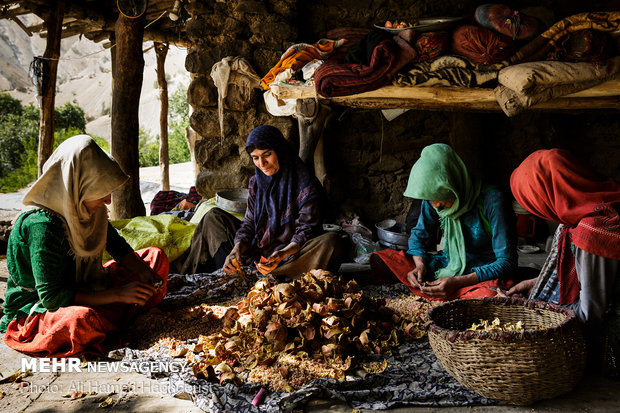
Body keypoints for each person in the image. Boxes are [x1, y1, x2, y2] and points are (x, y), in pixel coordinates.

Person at [1, 135, 168, 358]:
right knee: (79, 321)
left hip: (91, 286)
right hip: (41, 307)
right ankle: (114, 320)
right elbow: (52, 298)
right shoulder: (42, 224)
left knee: (154, 258)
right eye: (101, 191)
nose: (108, 200)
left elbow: (117, 246)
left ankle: (111, 319)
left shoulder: (89, 210)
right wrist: (118, 294)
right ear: (77, 186)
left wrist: (144, 273)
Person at [180, 125, 344, 278]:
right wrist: (236, 248)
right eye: (255, 158)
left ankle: (268, 278)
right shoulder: (256, 183)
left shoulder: (306, 185)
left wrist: (282, 254)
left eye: (267, 155)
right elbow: (249, 223)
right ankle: (230, 271)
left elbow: (306, 232)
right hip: (256, 250)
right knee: (213, 217)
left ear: (280, 151)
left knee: (331, 242)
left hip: (288, 255)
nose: (262, 164)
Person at [507, 148, 620, 371]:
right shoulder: (600, 203)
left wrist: (537, 313)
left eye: (531, 201)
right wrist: (534, 283)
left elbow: (590, 314)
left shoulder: (592, 231)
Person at [370, 143, 517, 299]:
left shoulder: (492, 200)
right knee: (381, 261)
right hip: (449, 261)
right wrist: (420, 265)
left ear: (454, 184)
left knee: (489, 294)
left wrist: (457, 281)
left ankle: (456, 291)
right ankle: (449, 290)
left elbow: (506, 262)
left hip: (482, 270)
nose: (437, 205)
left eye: (442, 198)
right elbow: (418, 236)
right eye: (432, 199)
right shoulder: (433, 199)